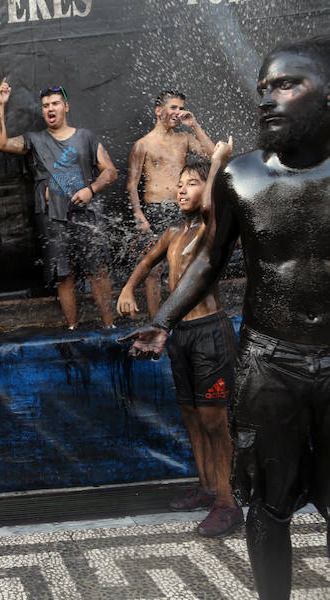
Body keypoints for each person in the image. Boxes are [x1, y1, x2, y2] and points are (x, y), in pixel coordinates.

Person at [121, 36, 330, 599]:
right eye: (264, 87)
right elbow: (210, 258)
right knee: (266, 502)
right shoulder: (241, 177)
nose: (268, 98)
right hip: (269, 364)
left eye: (288, 84)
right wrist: (163, 317)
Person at [117, 146, 243, 537]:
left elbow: (210, 208)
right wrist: (128, 287)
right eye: (180, 184)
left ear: (208, 189)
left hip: (210, 332)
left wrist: (218, 163)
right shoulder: (173, 232)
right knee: (191, 415)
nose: (182, 190)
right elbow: (146, 261)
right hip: (180, 334)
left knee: (214, 420)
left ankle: (229, 501)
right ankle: (207, 488)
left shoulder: (213, 227)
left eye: (193, 183)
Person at [0, 80, 118, 329]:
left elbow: (111, 172)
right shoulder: (35, 139)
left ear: (66, 107)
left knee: (98, 269)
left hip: (87, 214)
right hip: (52, 217)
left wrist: (90, 190)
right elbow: (0, 143)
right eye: (45, 105)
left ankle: (109, 327)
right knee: (64, 273)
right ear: (42, 111)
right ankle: (72, 329)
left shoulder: (86, 137)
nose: (50, 108)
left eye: (55, 103)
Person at [126, 90, 215, 317]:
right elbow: (132, 184)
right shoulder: (143, 144)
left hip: (182, 206)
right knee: (154, 269)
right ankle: (158, 320)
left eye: (181, 107)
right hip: (155, 208)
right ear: (159, 111)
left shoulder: (184, 139)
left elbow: (214, 155)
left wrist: (194, 126)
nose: (179, 112)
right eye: (174, 107)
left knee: (185, 262)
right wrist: (138, 214)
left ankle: (184, 313)